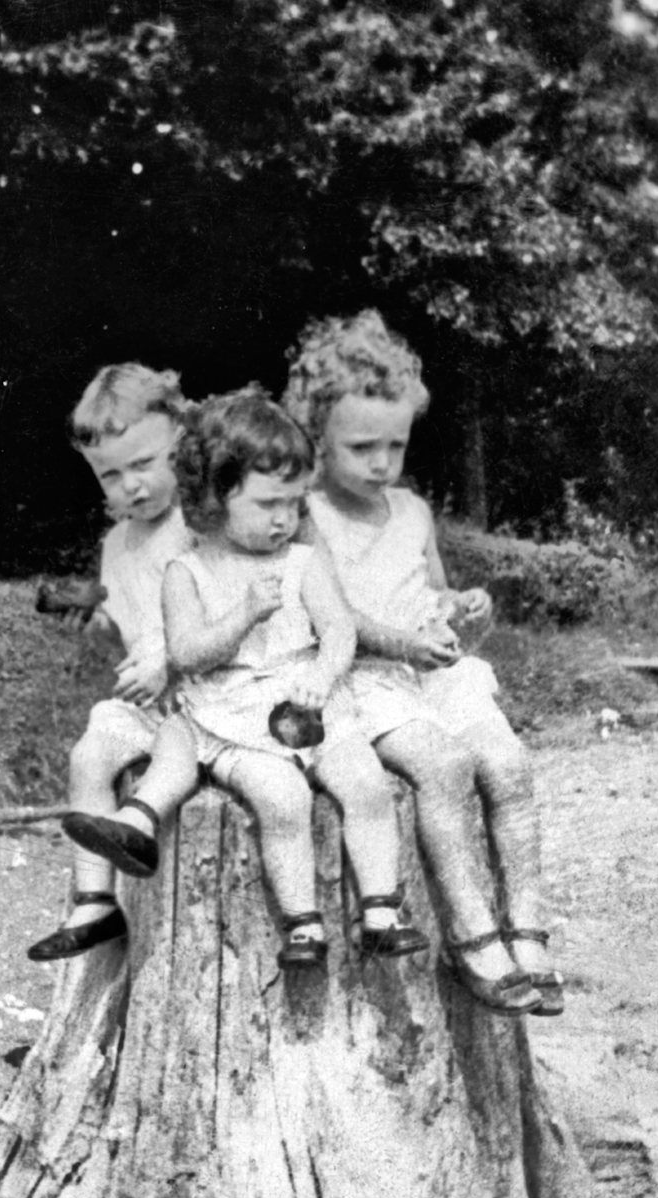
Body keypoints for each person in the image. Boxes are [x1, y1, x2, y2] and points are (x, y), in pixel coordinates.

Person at [63, 386, 430, 968]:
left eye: (294, 502)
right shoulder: (188, 568)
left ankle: (381, 910)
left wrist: (323, 672)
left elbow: (339, 629)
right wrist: (240, 618)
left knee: (365, 780)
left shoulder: (303, 562)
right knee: (281, 797)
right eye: (268, 505)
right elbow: (184, 652)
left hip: (311, 702)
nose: (286, 518)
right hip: (233, 711)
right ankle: (302, 923)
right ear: (213, 497)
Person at [284, 310, 564, 1015]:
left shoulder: (409, 511)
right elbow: (333, 617)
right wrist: (407, 644)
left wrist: (462, 607)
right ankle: (472, 935)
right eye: (361, 447)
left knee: (508, 764)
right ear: (317, 438)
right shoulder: (309, 517)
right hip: (362, 681)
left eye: (395, 445)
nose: (381, 463)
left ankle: (527, 928)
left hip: (428, 673)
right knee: (443, 767)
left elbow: (429, 593)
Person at [27, 363, 197, 962]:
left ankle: (139, 821)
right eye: (111, 475)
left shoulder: (206, 525)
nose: (132, 486)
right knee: (89, 752)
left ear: (182, 439)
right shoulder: (116, 546)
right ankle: (95, 899)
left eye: (146, 464)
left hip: (213, 705)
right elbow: (125, 635)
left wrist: (169, 655)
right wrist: (96, 626)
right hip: (151, 707)